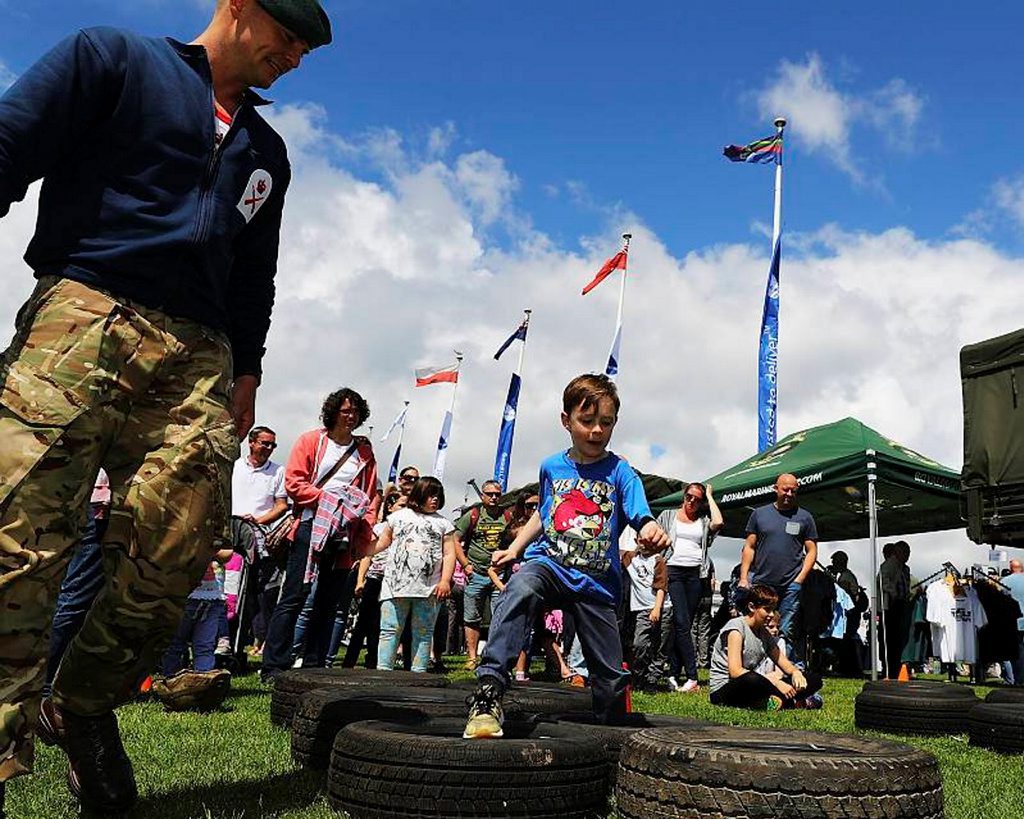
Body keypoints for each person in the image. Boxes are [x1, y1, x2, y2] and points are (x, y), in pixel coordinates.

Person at [0, 1, 332, 812]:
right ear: (237, 7)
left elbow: (256, 275)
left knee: (181, 547)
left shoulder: (266, 151)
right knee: (19, 538)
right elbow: (9, 143)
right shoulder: (112, 59)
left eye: (305, 47)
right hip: (84, 313)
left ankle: (76, 706)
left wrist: (246, 371)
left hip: (200, 355)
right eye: (286, 34)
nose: (295, 55)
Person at [463, 373, 670, 738]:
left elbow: (641, 515)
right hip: (550, 564)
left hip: (596, 582)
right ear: (566, 420)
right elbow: (546, 513)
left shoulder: (621, 472)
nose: (596, 431)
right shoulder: (551, 467)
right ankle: (489, 690)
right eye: (586, 422)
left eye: (605, 423)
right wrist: (514, 548)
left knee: (609, 676)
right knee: (521, 588)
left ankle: (610, 724)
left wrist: (650, 529)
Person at [260, 388, 378, 680]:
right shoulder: (311, 440)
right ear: (333, 412)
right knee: (295, 594)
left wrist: (364, 525)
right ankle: (274, 664)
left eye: (355, 412)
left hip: (345, 531)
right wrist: (329, 500)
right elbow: (294, 483)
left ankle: (315, 663)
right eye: (345, 411)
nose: (350, 417)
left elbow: (370, 494)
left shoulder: (364, 451)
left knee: (330, 599)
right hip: (311, 525)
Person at [372, 477, 456, 672]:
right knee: (390, 630)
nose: (435, 499)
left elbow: (449, 553)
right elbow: (383, 542)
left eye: (438, 495)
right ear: (419, 494)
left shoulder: (444, 524)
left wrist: (445, 580)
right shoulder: (397, 517)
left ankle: (419, 673)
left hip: (428, 589)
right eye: (430, 495)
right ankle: (383, 671)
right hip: (395, 586)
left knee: (424, 633)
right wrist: (363, 550)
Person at [738, 473, 818, 660]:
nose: (789, 494)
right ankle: (755, 665)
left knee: (786, 629)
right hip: (762, 584)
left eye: (793, 491)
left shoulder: (805, 517)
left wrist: (799, 579)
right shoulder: (759, 514)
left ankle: (783, 671)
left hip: (791, 584)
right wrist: (744, 577)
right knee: (758, 626)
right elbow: (749, 547)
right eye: (785, 489)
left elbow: (812, 551)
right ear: (776, 489)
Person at [654, 482, 723, 693]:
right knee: (682, 623)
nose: (692, 501)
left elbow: (719, 522)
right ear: (684, 496)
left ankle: (674, 673)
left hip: (695, 575)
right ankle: (692, 676)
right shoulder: (667, 515)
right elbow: (656, 538)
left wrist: (710, 495)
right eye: (689, 496)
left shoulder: (702, 521)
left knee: (682, 626)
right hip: (673, 571)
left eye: (697, 499)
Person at [709, 584, 823, 709]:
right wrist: (774, 682)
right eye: (767, 610)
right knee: (753, 680)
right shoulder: (736, 629)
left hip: (759, 684)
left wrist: (796, 673)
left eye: (773, 610)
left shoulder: (763, 632)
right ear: (752, 607)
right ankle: (790, 702)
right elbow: (735, 672)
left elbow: (783, 662)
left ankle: (774, 701)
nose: (771, 615)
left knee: (814, 679)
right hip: (727, 688)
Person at [228, 426, 289, 656]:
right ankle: (225, 642)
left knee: (254, 595)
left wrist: (259, 520)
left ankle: (244, 645)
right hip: (230, 534)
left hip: (259, 538)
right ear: (251, 443)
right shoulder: (235, 467)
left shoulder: (278, 471)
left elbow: (281, 505)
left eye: (272, 445)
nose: (268, 449)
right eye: (265, 443)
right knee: (230, 591)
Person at [341, 492, 404, 669]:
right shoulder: (378, 529)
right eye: (401, 505)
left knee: (384, 623)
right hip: (376, 578)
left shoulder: (407, 528)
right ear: (390, 507)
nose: (404, 509)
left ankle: (374, 660)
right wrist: (361, 580)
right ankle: (349, 661)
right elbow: (367, 557)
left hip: (395, 581)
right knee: (364, 622)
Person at [454, 479, 512, 670]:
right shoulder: (473, 515)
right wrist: (465, 564)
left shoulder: (507, 516)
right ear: (482, 496)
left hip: (500, 575)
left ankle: (494, 656)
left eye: (497, 494)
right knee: (472, 616)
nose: (494, 498)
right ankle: (471, 657)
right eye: (490, 494)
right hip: (476, 573)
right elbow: (455, 539)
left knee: (500, 615)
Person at [622, 543, 672, 693]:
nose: (642, 545)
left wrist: (657, 608)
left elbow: (661, 587)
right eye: (640, 541)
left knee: (659, 645)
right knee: (640, 644)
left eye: (647, 542)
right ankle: (639, 675)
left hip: (662, 607)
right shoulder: (630, 558)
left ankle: (652, 679)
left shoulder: (658, 560)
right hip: (641, 609)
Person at [878, 540, 911, 679]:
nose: (907, 556)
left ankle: (894, 668)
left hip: (899, 606)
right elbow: (883, 583)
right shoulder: (889, 565)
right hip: (890, 607)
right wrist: (895, 594)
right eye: (905, 553)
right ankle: (889, 669)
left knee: (897, 640)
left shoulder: (903, 568)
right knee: (889, 640)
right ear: (897, 552)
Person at [1002, 559, 1024, 686]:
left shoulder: (1004, 582)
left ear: (1010, 568)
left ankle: (1017, 678)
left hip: (1013, 621)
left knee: (1016, 650)